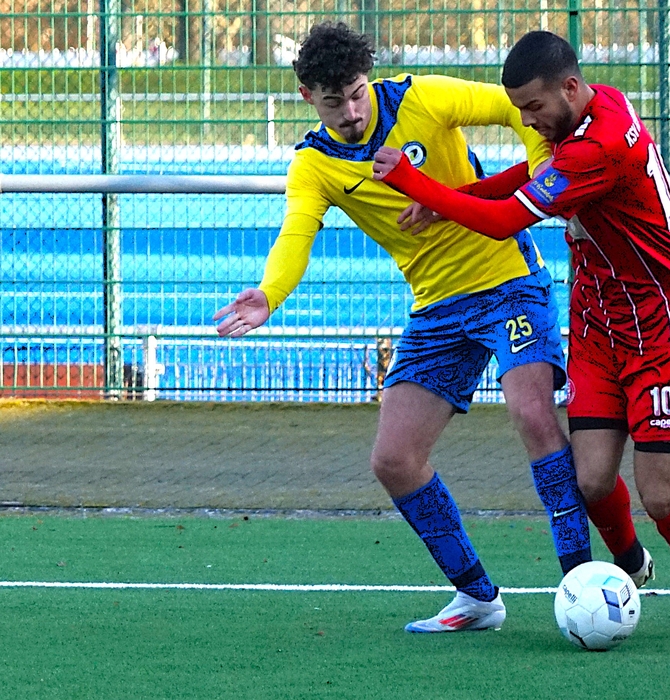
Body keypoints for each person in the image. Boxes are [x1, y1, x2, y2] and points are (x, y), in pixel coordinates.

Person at [213, 22, 592, 633]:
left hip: (508, 281)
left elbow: (515, 109)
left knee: (533, 415)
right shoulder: (314, 165)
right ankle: (477, 597)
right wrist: (270, 294)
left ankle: (582, 584)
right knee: (394, 459)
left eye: (357, 94)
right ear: (307, 97)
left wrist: (543, 175)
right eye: (333, 102)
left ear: (369, 79)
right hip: (436, 307)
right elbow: (295, 234)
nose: (351, 112)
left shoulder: (423, 96)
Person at [372, 30, 670, 642]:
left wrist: (415, 182)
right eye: (518, 108)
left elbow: (505, 220)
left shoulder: (599, 148)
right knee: (590, 480)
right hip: (597, 325)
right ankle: (628, 567)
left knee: (660, 495)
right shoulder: (594, 107)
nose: (526, 120)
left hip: (661, 329)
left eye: (534, 107)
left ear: (569, 88)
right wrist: (454, 197)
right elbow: (529, 175)